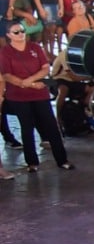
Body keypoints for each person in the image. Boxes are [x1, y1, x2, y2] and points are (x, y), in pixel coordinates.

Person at [0, 19, 71, 170]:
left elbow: (45, 68)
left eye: (22, 31)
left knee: (51, 127)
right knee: (26, 128)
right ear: (9, 35)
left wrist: (31, 80)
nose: (20, 35)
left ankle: (62, 160)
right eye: (16, 32)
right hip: (18, 96)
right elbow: (7, 75)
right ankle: (32, 162)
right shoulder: (5, 52)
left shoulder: (35, 47)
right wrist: (28, 84)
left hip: (39, 93)